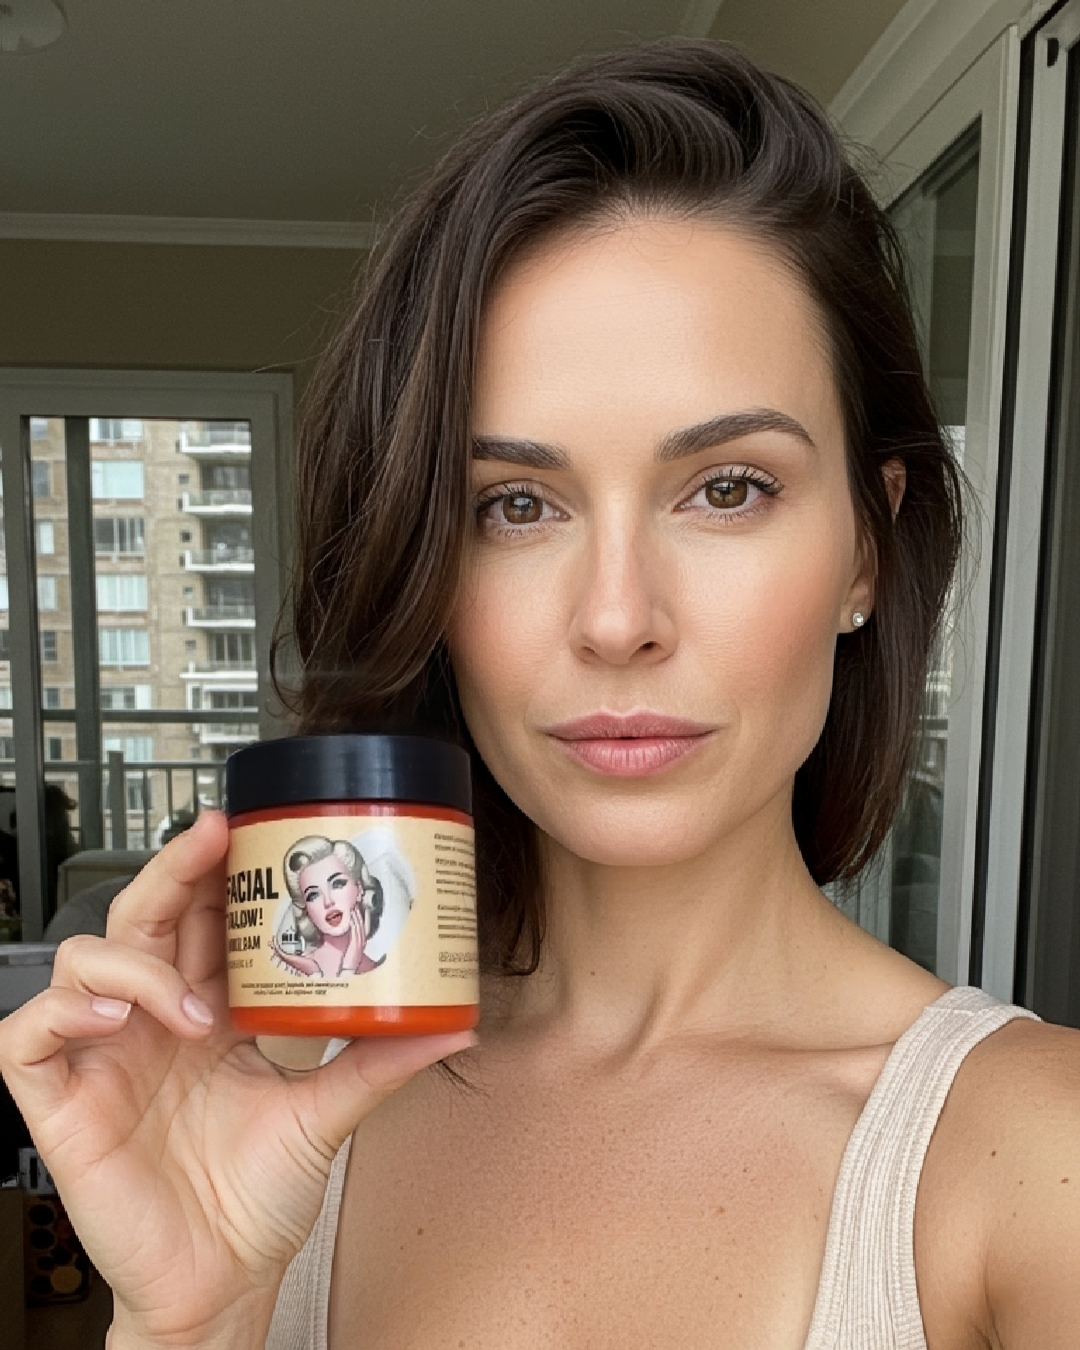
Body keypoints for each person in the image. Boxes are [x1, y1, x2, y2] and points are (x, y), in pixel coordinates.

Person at [0, 39, 1078, 1350]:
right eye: (515, 505)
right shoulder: (279, 1102)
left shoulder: (1038, 1160)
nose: (616, 618)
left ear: (866, 547)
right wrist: (189, 1322)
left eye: (727, 487)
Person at [271, 836, 383, 978]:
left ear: (359, 889)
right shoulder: (297, 972)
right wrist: (348, 968)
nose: (328, 902)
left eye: (337, 884)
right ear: (306, 910)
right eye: (313, 895)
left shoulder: (381, 970)